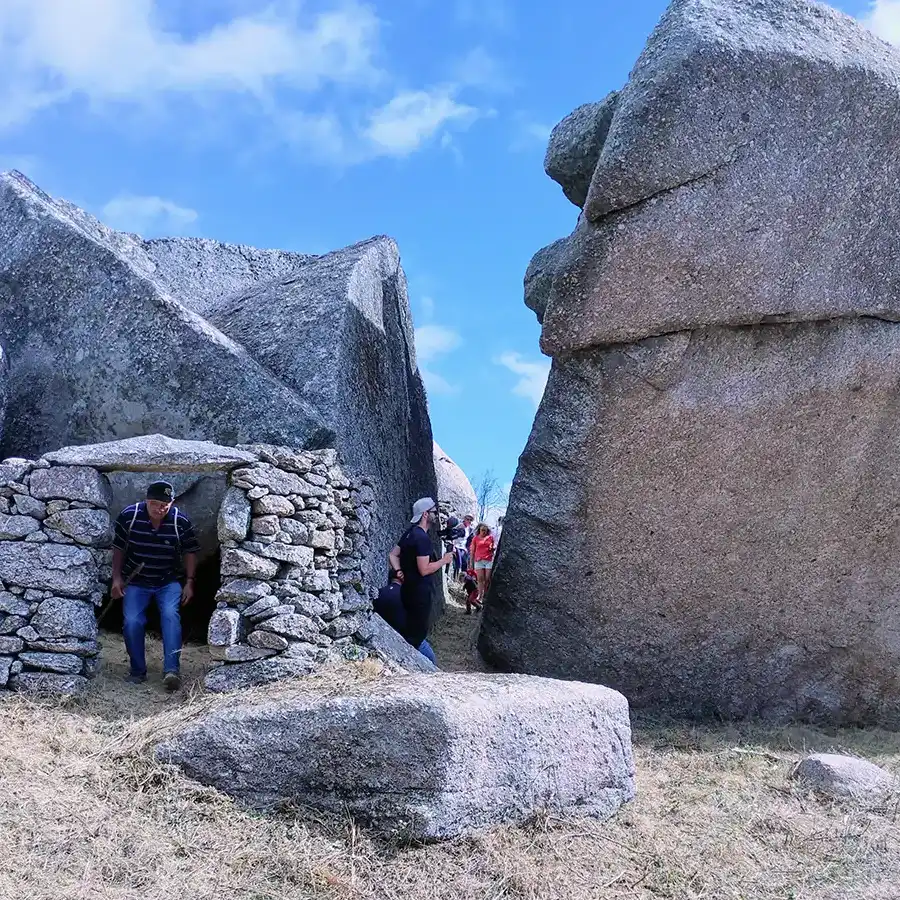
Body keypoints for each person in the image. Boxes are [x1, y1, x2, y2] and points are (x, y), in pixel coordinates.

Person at [111, 481, 200, 691]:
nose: (160, 509)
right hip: (136, 580)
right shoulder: (129, 516)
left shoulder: (180, 521)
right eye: (155, 503)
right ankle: (137, 671)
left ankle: (172, 671)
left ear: (172, 503)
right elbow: (118, 548)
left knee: (170, 615)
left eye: (165, 505)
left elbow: (190, 552)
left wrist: (190, 582)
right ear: (146, 501)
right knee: (132, 621)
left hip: (168, 580)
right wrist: (116, 578)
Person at [388, 496, 452, 664]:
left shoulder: (409, 533)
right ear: (425, 514)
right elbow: (424, 569)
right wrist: (444, 561)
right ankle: (427, 666)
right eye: (434, 512)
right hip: (420, 594)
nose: (436, 515)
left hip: (406, 590)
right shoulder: (422, 538)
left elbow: (393, 554)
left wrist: (399, 570)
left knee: (410, 629)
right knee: (417, 636)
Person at [470, 523, 496, 605]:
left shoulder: (490, 538)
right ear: (479, 530)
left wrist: (493, 548)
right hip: (479, 560)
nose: (484, 532)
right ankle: (480, 596)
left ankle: (485, 594)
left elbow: (492, 548)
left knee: (487, 579)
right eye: (482, 530)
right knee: (480, 578)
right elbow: (472, 551)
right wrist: (471, 562)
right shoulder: (475, 538)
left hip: (488, 559)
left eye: (485, 530)